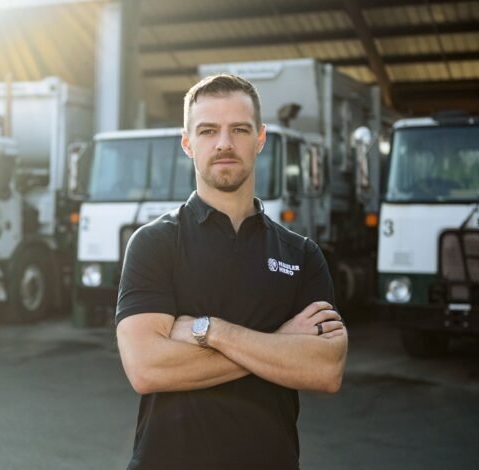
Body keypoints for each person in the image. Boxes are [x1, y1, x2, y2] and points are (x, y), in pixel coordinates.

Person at [115, 74, 348, 470]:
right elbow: (147, 368)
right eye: (208, 130)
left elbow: (324, 369)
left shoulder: (301, 254)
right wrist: (279, 344)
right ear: (187, 143)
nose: (224, 143)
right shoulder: (154, 243)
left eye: (239, 129)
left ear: (260, 138)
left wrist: (210, 332)